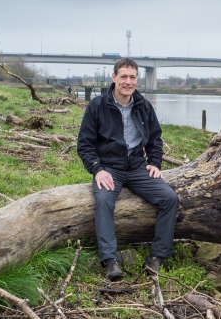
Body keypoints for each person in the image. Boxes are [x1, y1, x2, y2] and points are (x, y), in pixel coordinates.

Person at [77, 58, 179, 281]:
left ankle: (157, 257)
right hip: (109, 168)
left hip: (137, 167)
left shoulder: (143, 105)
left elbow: (155, 138)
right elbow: (85, 144)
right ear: (113, 78)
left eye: (132, 77)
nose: (128, 81)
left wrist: (154, 162)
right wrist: (97, 170)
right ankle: (110, 261)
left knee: (170, 198)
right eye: (123, 76)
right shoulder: (97, 106)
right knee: (104, 200)